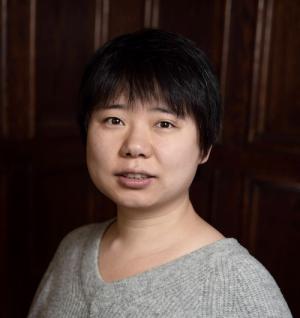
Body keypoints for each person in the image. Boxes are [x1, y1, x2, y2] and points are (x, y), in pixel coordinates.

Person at [28, 29, 292, 317]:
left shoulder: (238, 286)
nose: (135, 146)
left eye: (164, 123)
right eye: (114, 120)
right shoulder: (73, 249)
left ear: (204, 146)